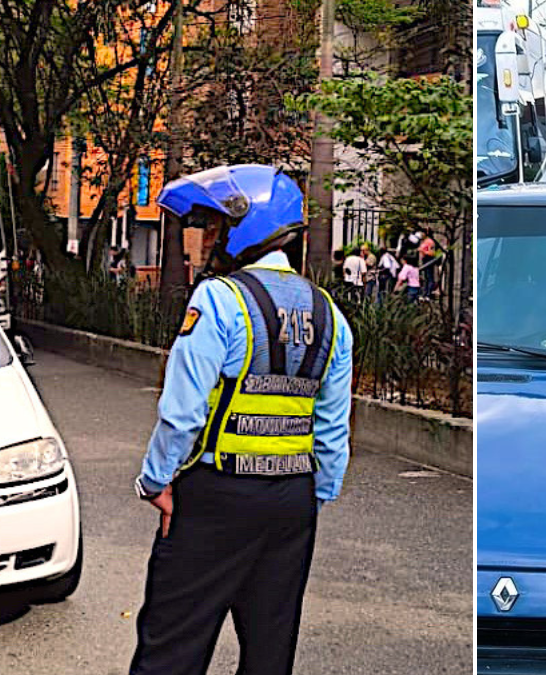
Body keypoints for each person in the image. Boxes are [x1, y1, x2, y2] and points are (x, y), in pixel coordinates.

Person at [130, 165, 354, 674]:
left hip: (216, 496)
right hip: (293, 502)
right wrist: (312, 496)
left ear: (245, 224)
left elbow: (182, 412)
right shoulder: (330, 316)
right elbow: (333, 431)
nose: (208, 240)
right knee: (270, 652)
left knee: (173, 646)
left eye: (214, 227)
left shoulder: (219, 299)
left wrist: (156, 481)